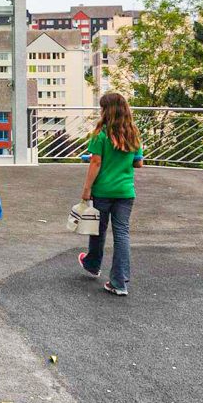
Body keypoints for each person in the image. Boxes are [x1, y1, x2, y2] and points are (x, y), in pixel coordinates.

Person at [78, 92, 144, 297]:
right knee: (122, 234)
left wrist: (86, 189)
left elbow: (96, 163)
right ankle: (119, 282)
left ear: (107, 110)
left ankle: (92, 264)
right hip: (125, 192)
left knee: (98, 229)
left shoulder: (101, 135)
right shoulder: (133, 134)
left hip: (103, 191)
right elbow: (138, 163)